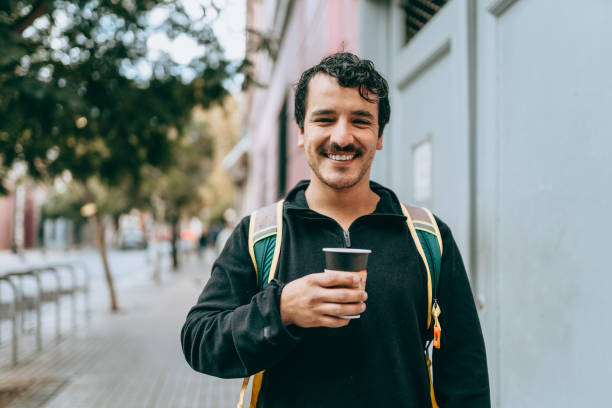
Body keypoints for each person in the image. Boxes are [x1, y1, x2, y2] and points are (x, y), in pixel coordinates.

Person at [181, 52, 490, 407]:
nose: (342, 137)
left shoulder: (428, 238)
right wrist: (280, 310)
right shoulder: (260, 235)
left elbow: (464, 375)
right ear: (301, 132)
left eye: (360, 121)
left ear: (379, 136)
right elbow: (199, 341)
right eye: (324, 119)